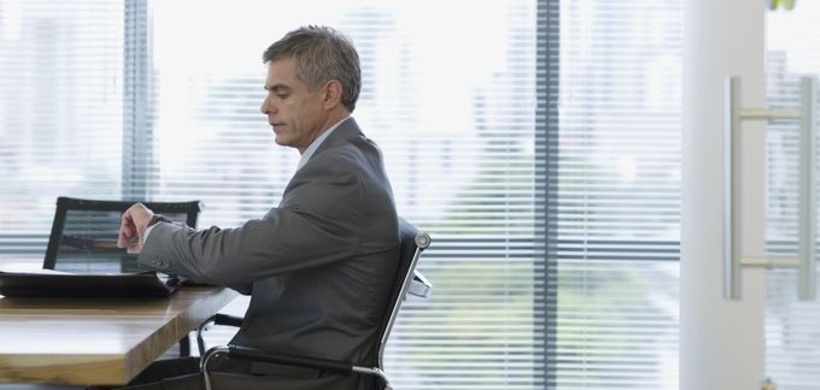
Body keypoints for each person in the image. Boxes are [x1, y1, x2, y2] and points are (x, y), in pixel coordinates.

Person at [116, 25, 399, 390]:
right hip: (283, 367)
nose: (266, 107)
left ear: (330, 94)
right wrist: (177, 244)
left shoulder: (338, 173)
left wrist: (156, 232)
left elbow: (232, 258)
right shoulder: (350, 157)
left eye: (281, 93)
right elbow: (256, 259)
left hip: (293, 377)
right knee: (115, 378)